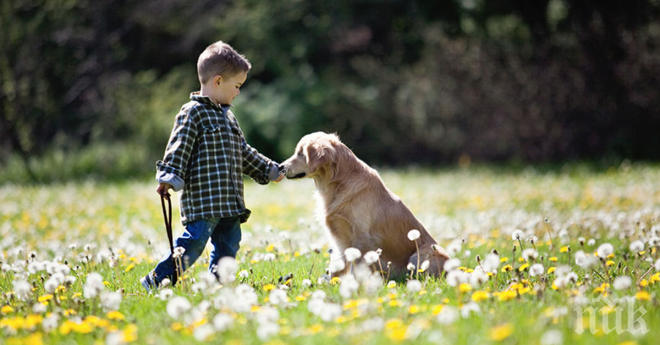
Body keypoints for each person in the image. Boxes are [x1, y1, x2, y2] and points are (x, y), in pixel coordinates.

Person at [141, 40, 283, 292]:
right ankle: (157, 280)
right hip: (204, 201)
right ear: (218, 81)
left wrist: (268, 169)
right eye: (237, 86)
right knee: (194, 243)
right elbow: (179, 146)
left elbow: (243, 152)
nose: (238, 92)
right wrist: (168, 177)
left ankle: (216, 285)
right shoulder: (192, 112)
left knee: (228, 247)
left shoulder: (229, 117)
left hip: (230, 201)